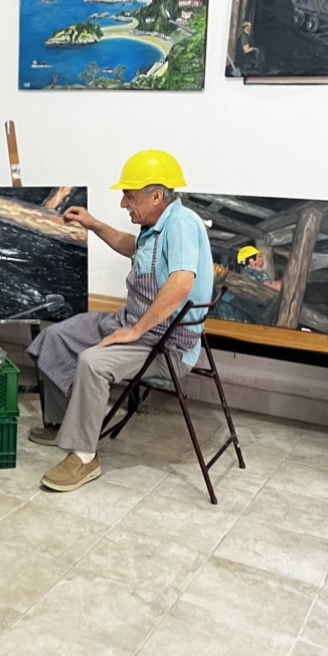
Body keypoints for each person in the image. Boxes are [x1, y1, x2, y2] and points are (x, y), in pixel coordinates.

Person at [27, 150, 214, 492]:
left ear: (156, 196)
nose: (124, 203)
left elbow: (181, 283)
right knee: (55, 336)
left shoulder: (182, 224)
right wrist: (94, 224)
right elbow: (132, 247)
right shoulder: (155, 226)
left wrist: (135, 331)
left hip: (166, 343)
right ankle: (63, 424)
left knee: (93, 362)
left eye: (129, 194)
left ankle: (84, 456)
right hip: (131, 323)